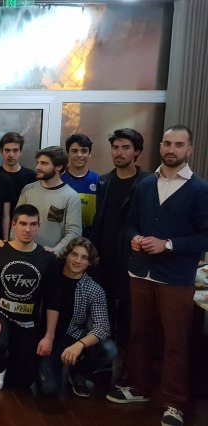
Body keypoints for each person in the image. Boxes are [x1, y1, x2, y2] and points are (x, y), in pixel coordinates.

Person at [106, 125, 208, 426]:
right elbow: (130, 223)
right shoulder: (146, 184)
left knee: (175, 342)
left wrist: (169, 245)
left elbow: (204, 237)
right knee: (139, 334)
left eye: (178, 144)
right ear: (160, 146)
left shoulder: (200, 190)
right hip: (140, 272)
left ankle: (174, 403)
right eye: (167, 143)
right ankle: (139, 388)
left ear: (189, 150)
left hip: (176, 278)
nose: (171, 149)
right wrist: (135, 238)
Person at [0, 204, 60, 391]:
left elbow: (53, 301)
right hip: (0, 316)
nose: (27, 229)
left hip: (28, 323)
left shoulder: (48, 259)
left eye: (33, 224)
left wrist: (49, 336)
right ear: (13, 225)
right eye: (23, 223)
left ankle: (13, 361)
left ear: (38, 226)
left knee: (23, 381)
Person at [90, 128, 149, 352]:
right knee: (102, 314)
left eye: (125, 148)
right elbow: (99, 219)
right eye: (115, 147)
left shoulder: (148, 182)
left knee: (130, 315)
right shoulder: (104, 181)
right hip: (104, 259)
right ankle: (103, 359)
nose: (119, 152)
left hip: (132, 258)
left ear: (137, 152)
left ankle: (126, 362)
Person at [39, 237, 117, 398]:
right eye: (74, 254)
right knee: (49, 388)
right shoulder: (51, 275)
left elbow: (103, 327)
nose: (78, 261)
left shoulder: (94, 289)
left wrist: (79, 345)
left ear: (90, 262)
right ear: (66, 255)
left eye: (84, 257)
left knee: (109, 349)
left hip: (72, 335)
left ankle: (79, 372)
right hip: (46, 336)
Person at [17, 146, 82, 256]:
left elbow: (74, 232)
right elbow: (16, 222)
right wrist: (14, 248)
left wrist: (56, 250)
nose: (37, 167)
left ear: (59, 167)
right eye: (38, 163)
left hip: (50, 257)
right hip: (23, 254)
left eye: (44, 163)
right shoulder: (28, 190)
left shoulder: (71, 196)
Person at [62, 134, 100, 238]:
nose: (79, 155)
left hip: (90, 239)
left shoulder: (99, 181)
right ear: (68, 153)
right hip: (62, 237)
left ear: (89, 153)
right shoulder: (58, 180)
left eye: (84, 151)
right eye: (74, 151)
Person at [0, 132, 36, 213]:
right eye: (7, 150)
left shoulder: (32, 176)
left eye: (15, 150)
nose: (11, 155)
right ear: (1, 151)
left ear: (21, 152)